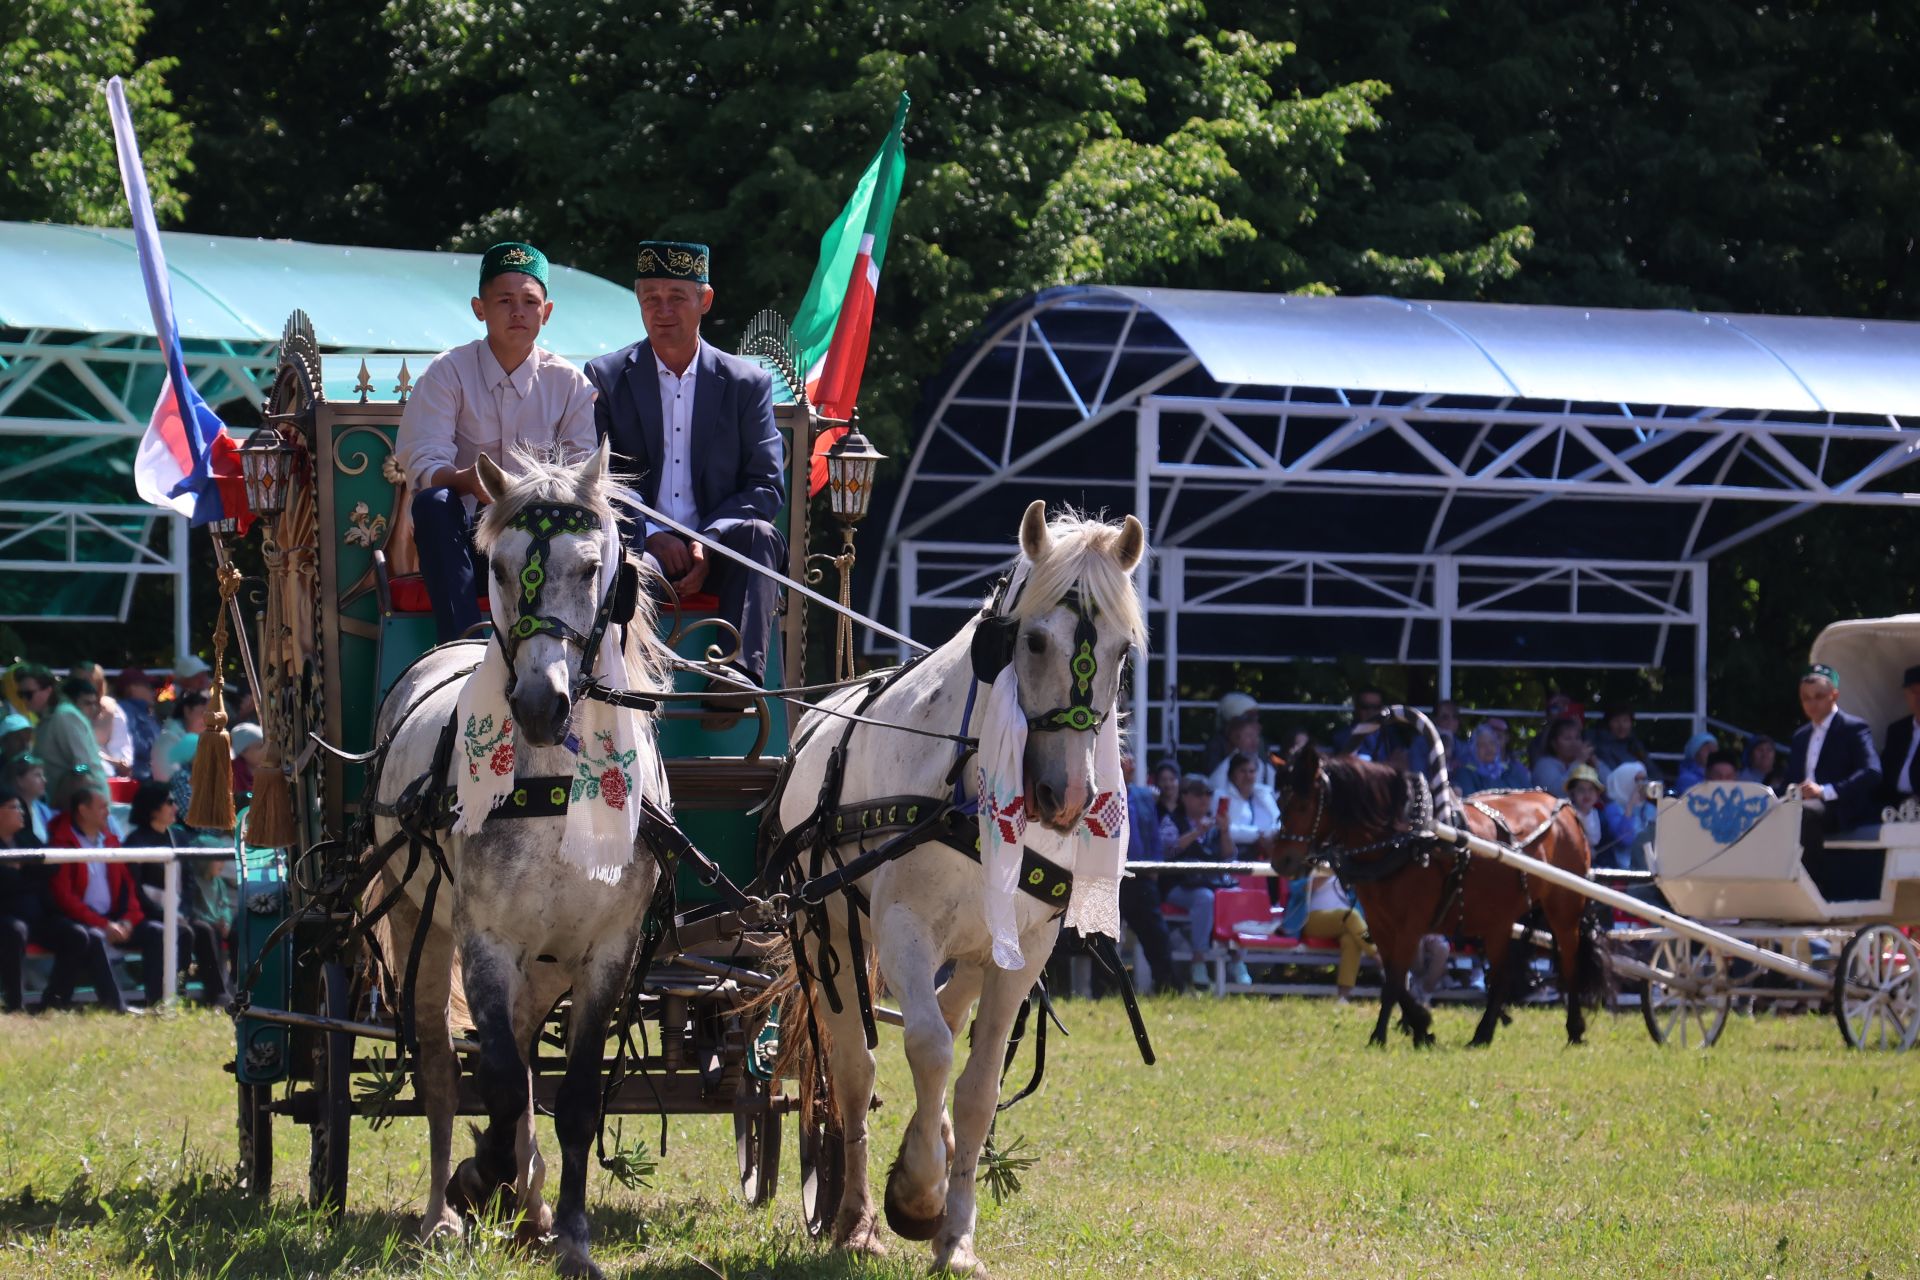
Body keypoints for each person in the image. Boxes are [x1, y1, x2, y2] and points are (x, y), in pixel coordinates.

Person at [586, 241, 786, 705]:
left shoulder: (745, 384)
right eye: (650, 298)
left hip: (721, 549)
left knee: (760, 536)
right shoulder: (607, 377)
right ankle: (625, 694)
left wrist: (707, 542)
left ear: (705, 301)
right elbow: (596, 483)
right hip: (641, 549)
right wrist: (653, 534)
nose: (663, 310)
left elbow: (766, 484)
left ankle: (735, 682)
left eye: (677, 296)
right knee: (625, 567)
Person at [396, 241, 599, 643]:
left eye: (529, 301)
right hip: (469, 537)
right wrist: (465, 481)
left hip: (544, 537)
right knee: (433, 504)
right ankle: (460, 643)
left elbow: (581, 474)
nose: (518, 311)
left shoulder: (570, 383)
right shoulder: (446, 372)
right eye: (504, 300)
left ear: (548, 311)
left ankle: (588, 654)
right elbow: (422, 460)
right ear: (479, 308)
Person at [121, 782, 232, 1010]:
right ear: (152, 809)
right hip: (147, 916)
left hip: (178, 912)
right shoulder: (135, 842)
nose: (174, 807)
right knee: (184, 932)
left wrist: (183, 911)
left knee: (204, 929)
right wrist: (164, 914)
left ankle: (218, 994)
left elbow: (189, 882)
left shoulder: (179, 838)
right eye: (169, 802)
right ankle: (170, 994)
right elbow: (134, 888)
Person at [45, 788, 147, 1013]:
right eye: (102, 807)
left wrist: (129, 920)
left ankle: (162, 1002)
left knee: (158, 932)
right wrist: (103, 924)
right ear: (83, 810)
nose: (108, 812)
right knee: (94, 937)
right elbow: (64, 898)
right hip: (75, 920)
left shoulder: (110, 841)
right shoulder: (61, 844)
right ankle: (115, 1006)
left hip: (115, 920)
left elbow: (128, 887)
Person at [1786, 663, 1882, 901]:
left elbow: (1871, 771)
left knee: (1806, 814)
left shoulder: (1853, 728)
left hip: (1839, 806)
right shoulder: (1801, 736)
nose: (1812, 704)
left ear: (1834, 695)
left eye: (1818, 697)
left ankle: (1813, 887)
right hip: (1804, 805)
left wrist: (1826, 791)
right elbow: (1791, 778)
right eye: (1806, 698)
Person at [1163, 774, 1249, 987]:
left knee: (1235, 896)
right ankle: (1198, 961)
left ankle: (1238, 959)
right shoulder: (1172, 820)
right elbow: (1166, 851)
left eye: (1208, 794)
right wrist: (1195, 833)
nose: (1204, 799)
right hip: (1178, 885)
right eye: (1197, 793)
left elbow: (1229, 857)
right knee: (1205, 899)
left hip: (1211, 882)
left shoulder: (1216, 824)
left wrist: (1225, 830)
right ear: (1184, 797)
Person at [1116, 750, 1179, 995]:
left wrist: (1155, 866)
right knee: (1106, 940)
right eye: (1123, 761)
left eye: (1130, 761)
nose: (1127, 765)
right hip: (1113, 879)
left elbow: (1152, 834)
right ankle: (1106, 992)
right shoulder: (1101, 795)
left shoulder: (1143, 797)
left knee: (1157, 937)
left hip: (1142, 878)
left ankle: (1168, 987)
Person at [1279, 862, 1376, 1002]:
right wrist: (1326, 874)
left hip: (1345, 922)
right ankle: (1378, 956)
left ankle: (1343, 996)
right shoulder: (1309, 870)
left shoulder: (1346, 873)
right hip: (1312, 920)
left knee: (1351, 940)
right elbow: (1296, 889)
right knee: (1351, 916)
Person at [32, 676, 108, 808]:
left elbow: (83, 767)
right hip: (82, 803)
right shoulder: (58, 716)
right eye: (87, 703)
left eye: (94, 703)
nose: (93, 709)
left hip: (83, 805)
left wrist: (58, 802)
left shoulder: (67, 715)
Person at [1214, 752, 1281, 859]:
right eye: (1242, 771)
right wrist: (1258, 834)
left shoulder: (1264, 794)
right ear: (1232, 774)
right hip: (1235, 854)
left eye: (1252, 771)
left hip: (1268, 852)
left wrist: (1269, 835)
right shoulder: (1222, 797)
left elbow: (1278, 822)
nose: (1248, 776)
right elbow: (1222, 828)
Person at [1598, 760, 1656, 871]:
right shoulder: (1612, 809)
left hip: (1650, 867)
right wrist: (1630, 806)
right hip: (1624, 869)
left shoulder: (1651, 809)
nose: (1642, 785)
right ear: (1624, 781)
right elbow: (1625, 840)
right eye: (1637, 780)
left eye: (1644, 779)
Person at [1878, 665, 1920, 811]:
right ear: (1906, 694)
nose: (1918, 697)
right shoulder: (1897, 730)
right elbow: (1884, 772)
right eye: (1913, 692)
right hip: (1893, 804)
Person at [1333, 686, 1408, 766]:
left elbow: (1400, 763)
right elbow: (1348, 764)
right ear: (1357, 708)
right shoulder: (1343, 736)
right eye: (1365, 707)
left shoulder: (1391, 734)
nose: (1371, 712)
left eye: (1376, 707)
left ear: (1382, 709)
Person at [1205, 713, 1275, 793]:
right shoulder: (1225, 769)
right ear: (1235, 738)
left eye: (1257, 736)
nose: (1254, 740)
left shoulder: (1265, 766)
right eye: (1249, 736)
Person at [151, 692, 208, 785]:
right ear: (187, 711)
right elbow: (164, 780)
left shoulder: (204, 740)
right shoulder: (168, 738)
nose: (208, 721)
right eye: (203, 713)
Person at [1455, 722, 1529, 794]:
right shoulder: (1466, 773)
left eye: (1492, 743)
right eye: (1482, 745)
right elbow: (1469, 799)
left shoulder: (1510, 770)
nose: (1489, 748)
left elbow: (1529, 794)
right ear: (1474, 749)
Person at [1409, 699, 1472, 782]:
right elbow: (1419, 774)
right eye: (1445, 717)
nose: (1451, 721)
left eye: (1455, 717)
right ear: (1435, 720)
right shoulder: (1421, 744)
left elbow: (1469, 773)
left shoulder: (1463, 747)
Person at [1588, 703, 1655, 777]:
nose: (1622, 726)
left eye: (1625, 720)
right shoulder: (1602, 746)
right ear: (1608, 724)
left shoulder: (1634, 742)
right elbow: (1614, 775)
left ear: (1631, 723)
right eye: (1616, 721)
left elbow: (1651, 768)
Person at [1530, 716, 1590, 796]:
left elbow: (1610, 790)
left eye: (1577, 737)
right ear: (1554, 743)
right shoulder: (1544, 765)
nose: (1574, 743)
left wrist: (1596, 763)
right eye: (1567, 738)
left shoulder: (1584, 762)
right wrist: (1578, 762)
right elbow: (1558, 792)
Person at [1201, 691, 1259, 773]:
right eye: (1249, 717)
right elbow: (1214, 774)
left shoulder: (1260, 741)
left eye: (1255, 717)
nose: (1254, 721)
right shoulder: (1217, 744)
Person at [3, 756, 53, 845]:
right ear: (19, 781)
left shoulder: (44, 810)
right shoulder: (6, 810)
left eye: (43, 775)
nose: (44, 780)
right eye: (37, 775)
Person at [1564, 763, 1605, 849]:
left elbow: (1595, 841)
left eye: (1591, 789)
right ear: (1572, 793)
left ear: (1597, 793)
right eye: (1581, 790)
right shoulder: (1566, 812)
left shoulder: (1599, 815)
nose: (1586, 794)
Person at [229, 722, 265, 805]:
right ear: (243, 751)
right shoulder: (233, 774)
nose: (265, 751)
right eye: (260, 747)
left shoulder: (267, 768)